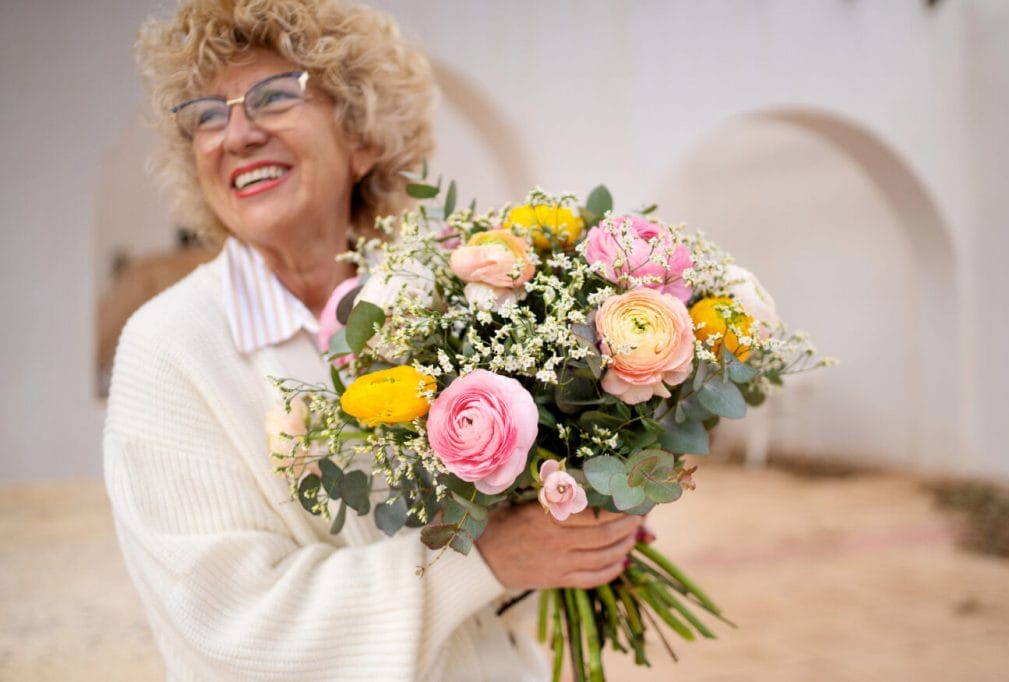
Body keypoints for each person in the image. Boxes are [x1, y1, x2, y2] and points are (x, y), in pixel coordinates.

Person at [104, 1, 644, 680]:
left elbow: (521, 515)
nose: (234, 134)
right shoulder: (169, 350)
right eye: (206, 114)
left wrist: (590, 492)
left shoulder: (445, 293)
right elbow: (229, 626)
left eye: (273, 97)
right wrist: (478, 563)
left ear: (362, 135)